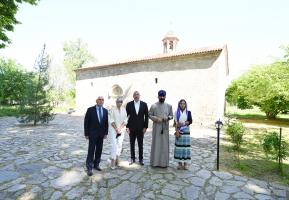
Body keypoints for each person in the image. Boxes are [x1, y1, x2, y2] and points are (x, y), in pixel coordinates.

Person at [84, 96, 108, 176]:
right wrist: (86, 133)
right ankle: (89, 167)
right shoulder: (90, 110)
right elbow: (86, 122)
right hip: (92, 134)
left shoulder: (105, 111)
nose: (101, 101)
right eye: (100, 99)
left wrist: (105, 133)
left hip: (101, 135)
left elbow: (106, 123)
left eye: (102, 100)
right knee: (91, 151)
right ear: (96, 101)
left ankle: (96, 164)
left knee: (99, 150)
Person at [149, 90, 173, 167]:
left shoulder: (169, 106)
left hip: (165, 128)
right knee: (156, 144)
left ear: (165, 96)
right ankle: (155, 163)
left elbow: (171, 115)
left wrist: (168, 118)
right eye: (160, 96)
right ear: (158, 96)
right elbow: (149, 114)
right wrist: (156, 119)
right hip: (156, 128)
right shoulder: (153, 106)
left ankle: (164, 163)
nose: (162, 97)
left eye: (163, 96)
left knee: (164, 145)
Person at [126, 91, 149, 165]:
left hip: (140, 128)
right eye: (135, 95)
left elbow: (146, 116)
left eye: (137, 94)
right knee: (132, 144)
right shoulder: (129, 104)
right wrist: (127, 127)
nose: (136, 96)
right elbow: (126, 117)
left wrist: (145, 127)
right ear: (133, 96)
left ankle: (141, 159)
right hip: (131, 128)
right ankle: (132, 158)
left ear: (139, 96)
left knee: (140, 144)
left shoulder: (144, 104)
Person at [108, 97, 128, 169]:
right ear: (116, 102)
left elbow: (125, 120)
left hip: (121, 130)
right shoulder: (112, 110)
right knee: (114, 144)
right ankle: (113, 160)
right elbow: (111, 120)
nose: (119, 103)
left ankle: (117, 158)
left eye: (120, 101)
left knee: (119, 144)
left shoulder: (124, 110)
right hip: (114, 130)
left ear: (122, 102)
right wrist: (116, 128)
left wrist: (120, 128)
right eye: (117, 101)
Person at [174, 99, 192, 170]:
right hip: (179, 131)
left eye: (184, 103)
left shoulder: (188, 112)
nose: (182, 105)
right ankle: (180, 163)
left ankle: (185, 163)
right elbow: (175, 123)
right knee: (178, 147)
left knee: (185, 147)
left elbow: (190, 121)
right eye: (181, 103)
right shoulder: (176, 112)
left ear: (185, 105)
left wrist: (183, 123)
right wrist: (177, 130)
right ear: (179, 104)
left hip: (186, 132)